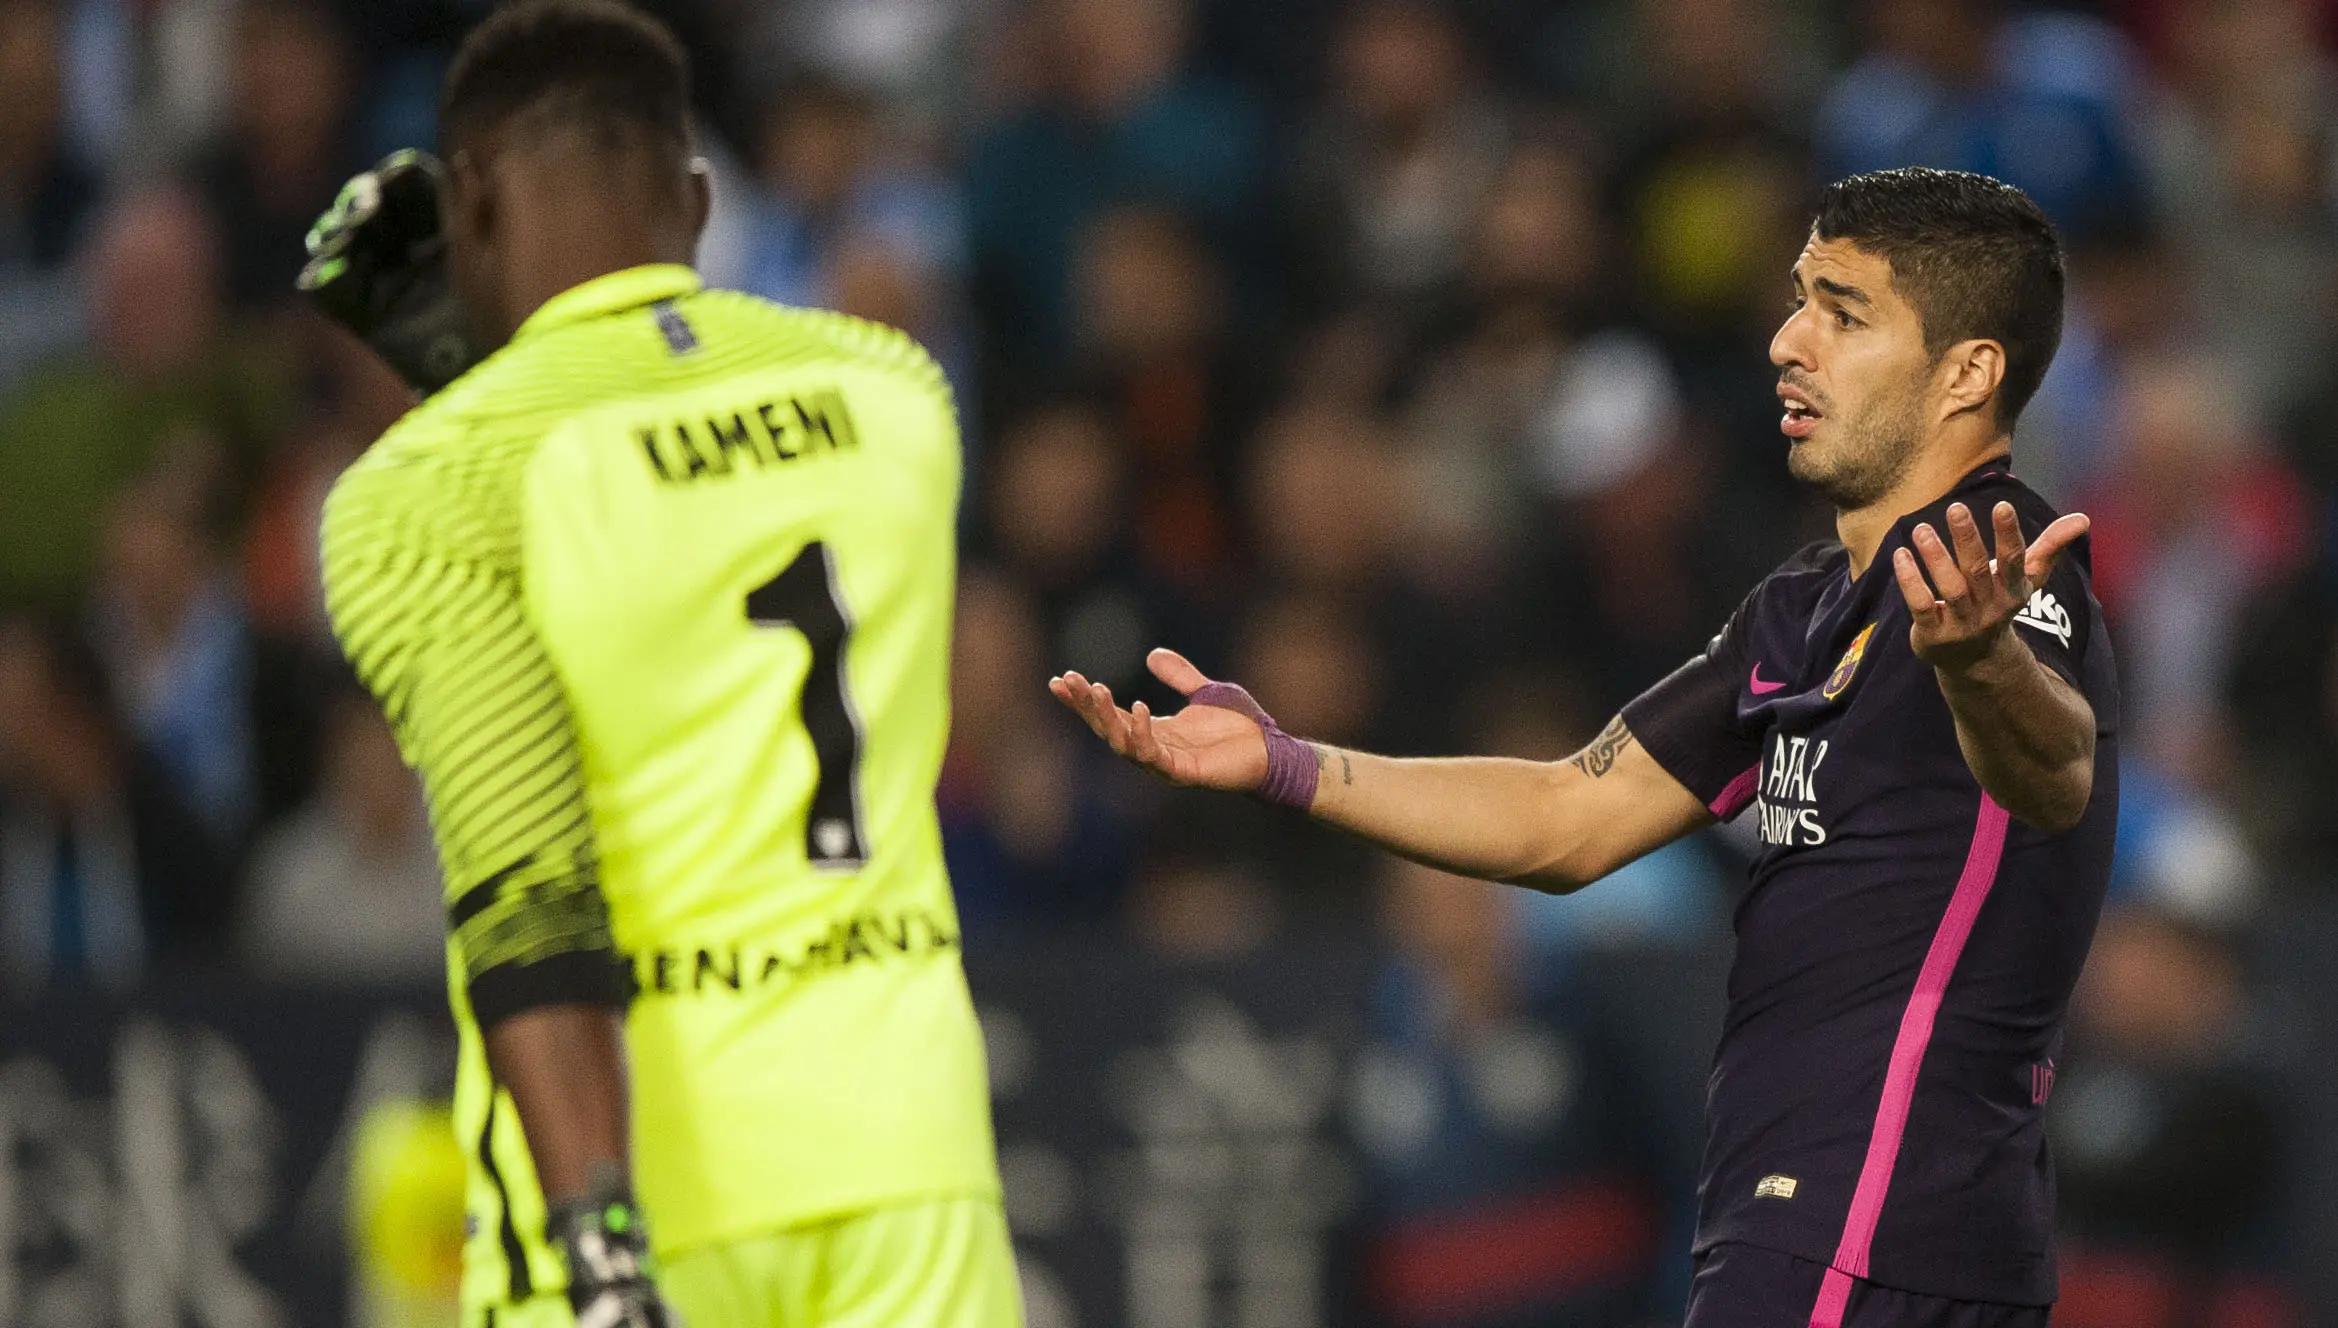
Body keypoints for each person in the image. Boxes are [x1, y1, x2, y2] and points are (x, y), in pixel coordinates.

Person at [1054, 167, 2118, 1328]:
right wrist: (1287, 762)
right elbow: (1566, 816)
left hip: (1863, 1226)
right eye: (1797, 299)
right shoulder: (1802, 608)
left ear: (1967, 371)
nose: (1785, 341)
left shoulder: (1997, 571)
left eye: (1842, 312)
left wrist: (1977, 662)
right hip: (1852, 1230)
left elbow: (2055, 771)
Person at [305, 3, 1017, 1326]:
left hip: (637, 1172)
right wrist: (479, 367)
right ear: (693, 199)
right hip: (907, 1163)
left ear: (473, 210)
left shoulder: (428, 488)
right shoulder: (894, 394)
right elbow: (685, 494)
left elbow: (527, 882)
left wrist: (599, 1246)